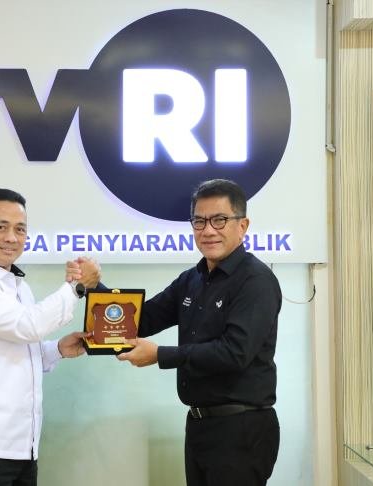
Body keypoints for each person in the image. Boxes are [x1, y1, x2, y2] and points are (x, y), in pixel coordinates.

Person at [116, 179, 282, 486]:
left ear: (242, 226)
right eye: (199, 221)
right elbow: (142, 319)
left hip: (241, 430)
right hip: (198, 425)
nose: (208, 230)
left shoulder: (256, 280)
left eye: (219, 220)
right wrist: (92, 289)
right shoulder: (191, 279)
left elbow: (234, 352)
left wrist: (160, 355)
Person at [0, 188, 101, 486]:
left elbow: (18, 347)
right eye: (1, 227)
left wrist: (57, 349)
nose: (11, 238)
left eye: (20, 229)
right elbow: (28, 326)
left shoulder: (17, 285)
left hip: (21, 448)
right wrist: (76, 287)